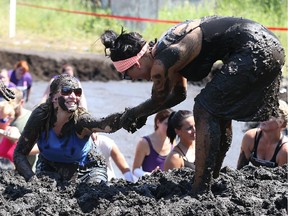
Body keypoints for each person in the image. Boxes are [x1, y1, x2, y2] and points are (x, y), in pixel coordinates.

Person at [100, 15, 285, 194]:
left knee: (204, 108)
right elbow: (179, 94)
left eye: (126, 75)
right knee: (216, 108)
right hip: (268, 44)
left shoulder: (162, 63)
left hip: (255, 48)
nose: (131, 79)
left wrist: (133, 114)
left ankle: (200, 188)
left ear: (136, 65)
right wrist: (141, 114)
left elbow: (159, 98)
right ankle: (212, 177)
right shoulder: (165, 50)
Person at [13, 74, 123, 183]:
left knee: (92, 196)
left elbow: (106, 125)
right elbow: (19, 153)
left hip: (87, 169)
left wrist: (132, 115)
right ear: (53, 98)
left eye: (77, 92)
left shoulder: (81, 120)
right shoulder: (41, 117)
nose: (73, 96)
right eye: (66, 91)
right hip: (49, 167)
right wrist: (32, 179)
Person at [237, 100, 288, 169]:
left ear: (281, 123)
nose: (264, 117)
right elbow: (239, 169)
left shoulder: (284, 150)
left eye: (271, 115)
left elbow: (282, 178)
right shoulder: (250, 138)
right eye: (264, 112)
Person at [132, 109, 173, 179]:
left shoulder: (173, 141)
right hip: (149, 186)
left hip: (168, 185)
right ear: (158, 122)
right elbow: (135, 170)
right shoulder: (144, 143)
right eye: (167, 124)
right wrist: (150, 175)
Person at [8, 87, 37, 169]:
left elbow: (39, 148)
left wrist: (17, 143)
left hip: (28, 169)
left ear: (22, 102)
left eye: (13, 108)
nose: (10, 112)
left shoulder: (31, 119)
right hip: (8, 168)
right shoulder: (5, 117)